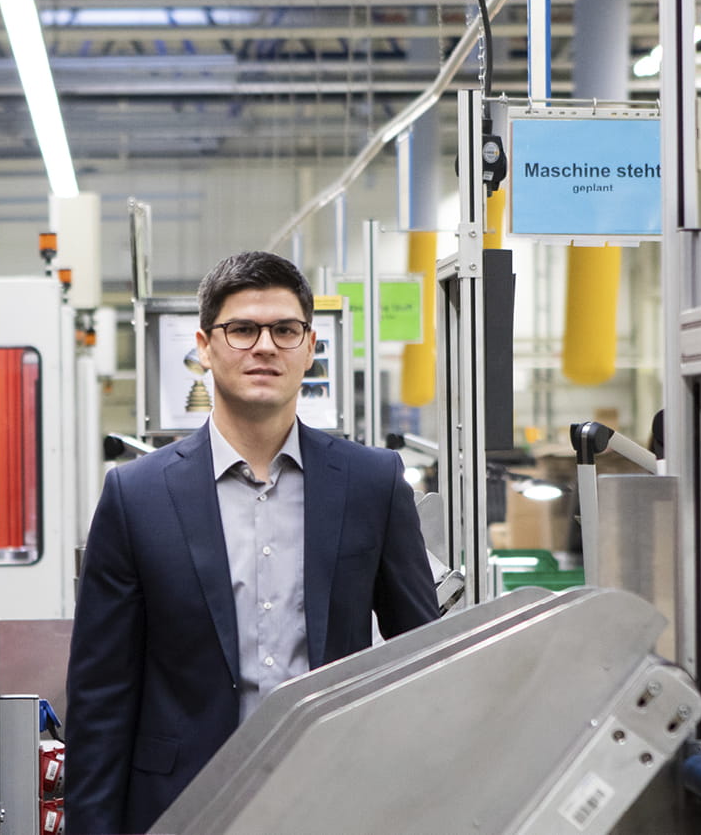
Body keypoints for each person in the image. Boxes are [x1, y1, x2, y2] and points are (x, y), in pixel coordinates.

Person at [65, 251, 439, 834]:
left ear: (310, 347)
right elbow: (101, 696)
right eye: (241, 329)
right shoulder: (136, 496)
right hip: (182, 804)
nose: (264, 346)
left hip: (332, 803)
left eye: (285, 330)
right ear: (205, 347)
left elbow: (424, 661)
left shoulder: (372, 483)